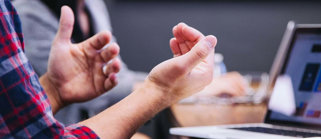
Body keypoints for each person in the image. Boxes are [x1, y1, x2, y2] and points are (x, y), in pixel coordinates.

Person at [13, 1, 246, 136]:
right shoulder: (25, 12)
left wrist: (54, 89)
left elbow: (114, 76)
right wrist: (164, 88)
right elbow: (93, 99)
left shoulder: (92, 4)